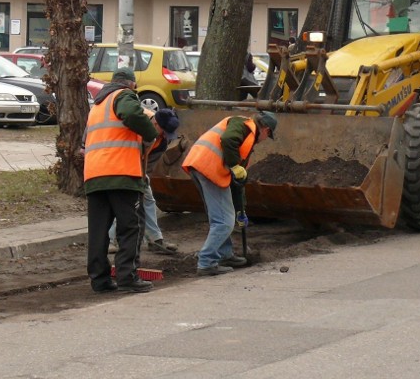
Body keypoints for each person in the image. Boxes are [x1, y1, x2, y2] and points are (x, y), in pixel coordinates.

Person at [84, 67, 160, 293]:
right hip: (121, 172)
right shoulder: (123, 95)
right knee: (131, 226)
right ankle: (128, 275)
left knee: (98, 231)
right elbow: (133, 114)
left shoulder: (97, 105)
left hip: (95, 175)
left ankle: (100, 280)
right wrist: (150, 134)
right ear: (130, 84)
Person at [182, 111, 277, 276]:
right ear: (266, 130)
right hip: (209, 168)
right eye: (268, 136)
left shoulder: (245, 136)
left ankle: (225, 255)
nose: (264, 141)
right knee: (224, 221)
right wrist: (234, 165)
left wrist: (241, 210)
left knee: (220, 217)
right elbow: (227, 140)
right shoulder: (243, 125)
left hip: (201, 166)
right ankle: (206, 262)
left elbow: (237, 183)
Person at [108, 108, 180, 255]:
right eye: (164, 130)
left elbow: (149, 161)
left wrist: (142, 178)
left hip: (138, 168)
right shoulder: (138, 124)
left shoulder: (162, 141)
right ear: (155, 123)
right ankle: (108, 240)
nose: (166, 135)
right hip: (119, 165)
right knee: (124, 202)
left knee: (148, 200)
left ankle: (155, 240)